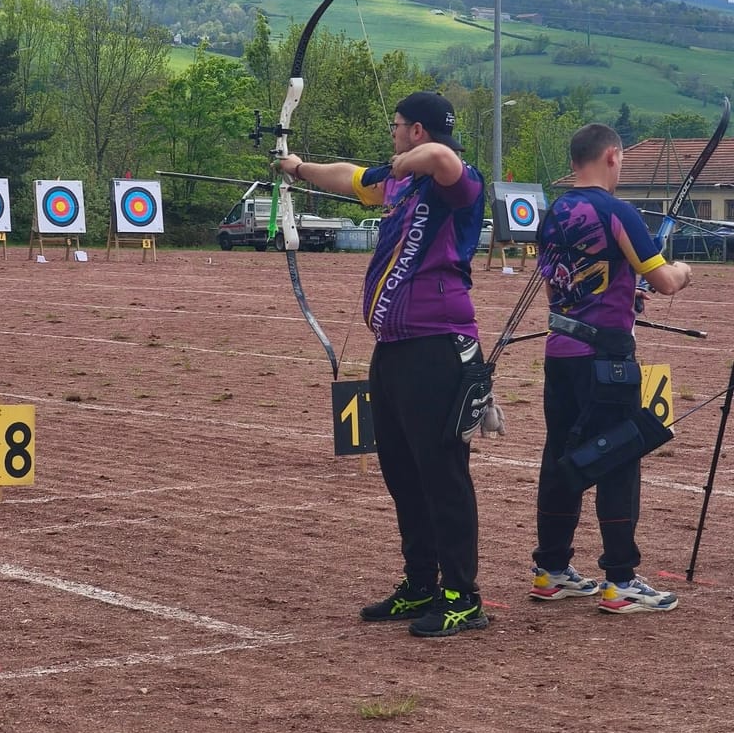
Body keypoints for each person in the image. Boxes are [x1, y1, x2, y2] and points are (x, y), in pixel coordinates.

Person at [278, 91, 488, 638]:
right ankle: (420, 583)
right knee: (402, 471)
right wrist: (297, 167)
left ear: (416, 130)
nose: (392, 132)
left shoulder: (458, 182)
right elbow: (348, 177)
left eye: (397, 125)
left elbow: (441, 158)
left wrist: (400, 164)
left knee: (441, 474)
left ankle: (462, 596)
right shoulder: (401, 183)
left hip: (437, 347)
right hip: (394, 348)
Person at [530, 122, 692, 614]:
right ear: (613, 157)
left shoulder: (553, 213)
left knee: (561, 456)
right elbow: (665, 281)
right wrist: (683, 271)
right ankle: (620, 579)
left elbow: (564, 285)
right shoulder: (617, 211)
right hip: (605, 360)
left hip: (561, 352)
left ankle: (551, 570)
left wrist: (625, 293)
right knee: (618, 458)